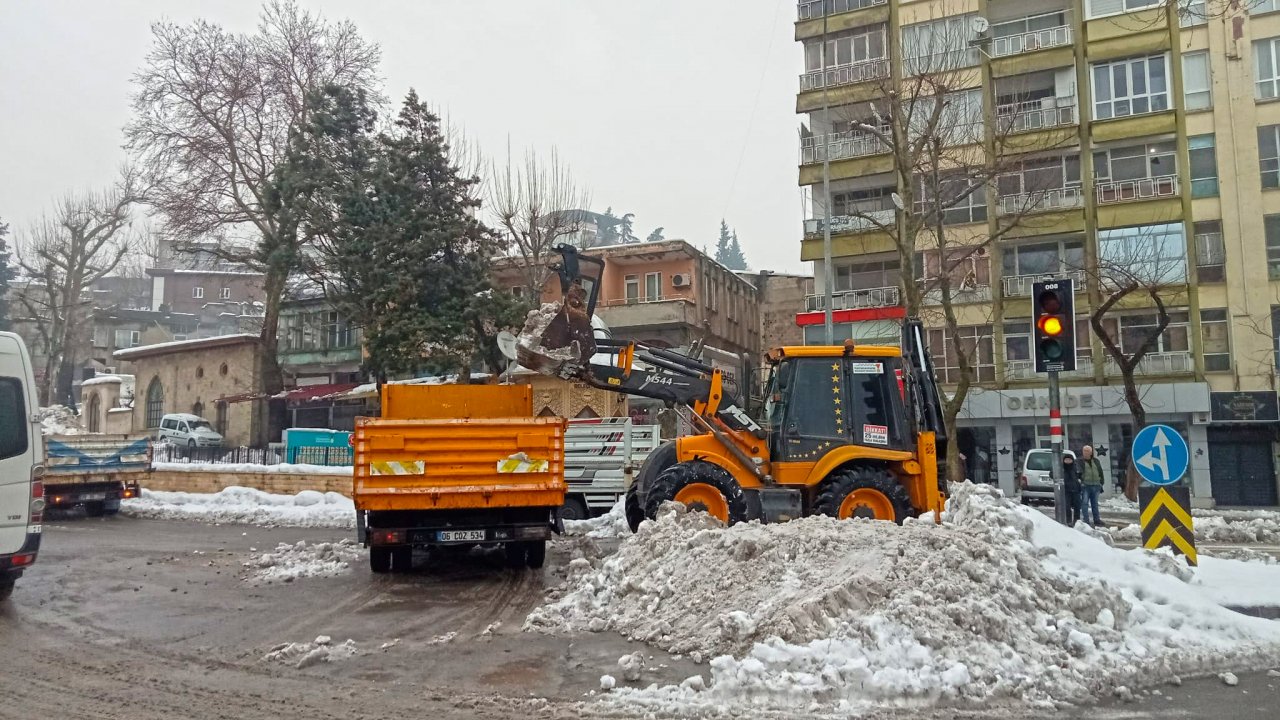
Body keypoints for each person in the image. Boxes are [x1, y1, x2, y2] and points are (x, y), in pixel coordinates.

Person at [1078, 445, 1105, 527]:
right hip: (1085, 485)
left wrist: (1101, 482)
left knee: (1095, 504)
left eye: (1087, 451)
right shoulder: (1079, 461)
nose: (1085, 452)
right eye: (1084, 450)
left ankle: (1097, 520)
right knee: (1085, 503)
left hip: (1096, 485)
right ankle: (1086, 520)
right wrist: (1081, 481)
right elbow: (1077, 472)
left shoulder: (1096, 461)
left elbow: (1100, 472)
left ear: (1091, 452)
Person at [1062, 453, 1082, 525]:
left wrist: (1079, 480)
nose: (1068, 461)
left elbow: (1081, 474)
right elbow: (1052, 473)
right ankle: (1068, 521)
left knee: (1077, 507)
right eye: (1066, 460)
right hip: (1066, 490)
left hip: (1075, 489)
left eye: (1069, 460)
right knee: (1067, 507)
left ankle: (1077, 521)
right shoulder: (1061, 468)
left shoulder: (1076, 467)